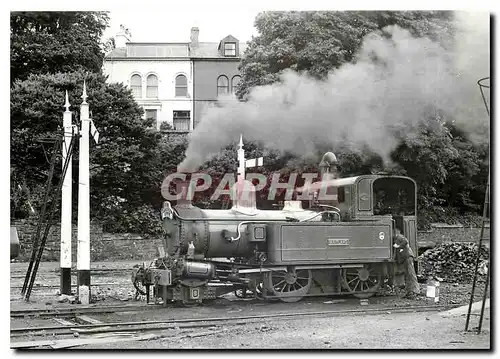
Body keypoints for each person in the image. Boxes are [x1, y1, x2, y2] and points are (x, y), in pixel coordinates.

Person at [393, 227, 420, 298]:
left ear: (396, 232)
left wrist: (398, 246)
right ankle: (409, 291)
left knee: (411, 274)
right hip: (405, 258)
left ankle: (415, 291)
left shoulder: (399, 237)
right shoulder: (397, 238)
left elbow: (405, 241)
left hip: (408, 257)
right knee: (408, 275)